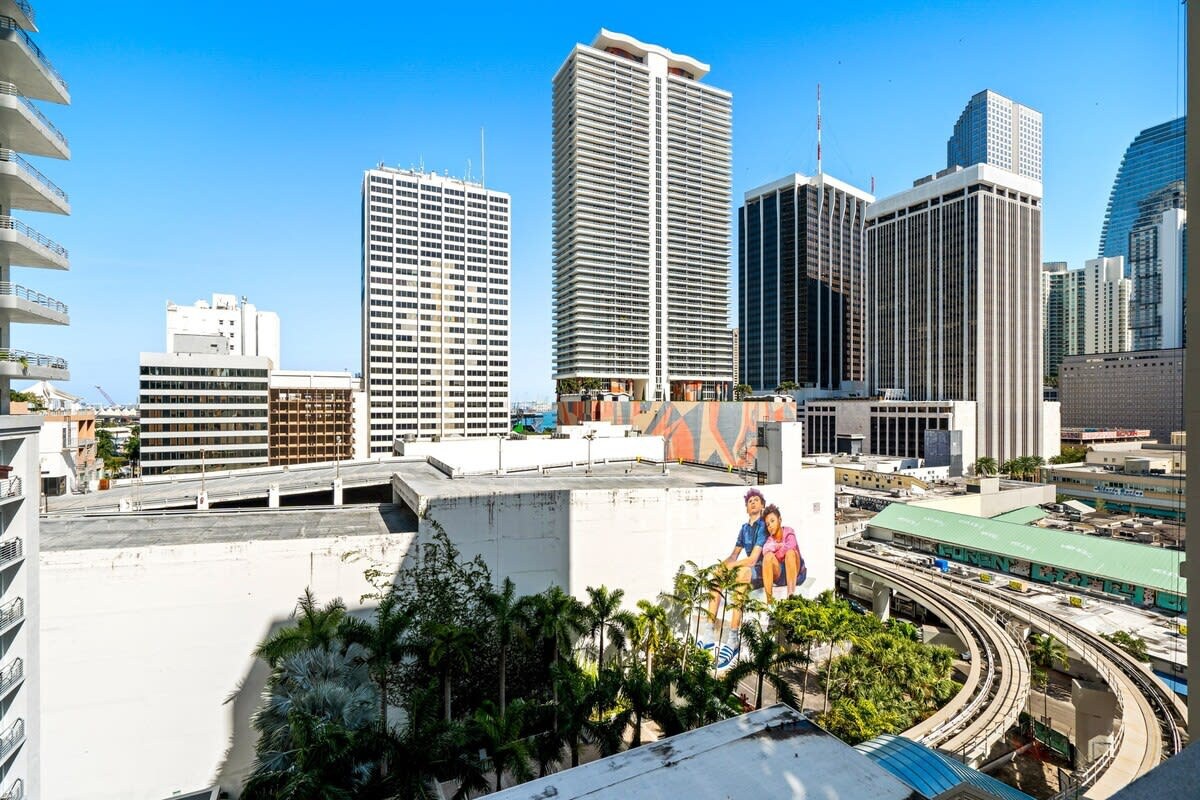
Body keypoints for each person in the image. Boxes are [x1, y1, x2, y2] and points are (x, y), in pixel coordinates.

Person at [708, 488, 767, 635]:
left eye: (756, 500)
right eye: (750, 501)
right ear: (746, 508)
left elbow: (753, 559)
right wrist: (722, 567)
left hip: (762, 570)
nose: (753, 503)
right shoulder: (744, 528)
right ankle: (709, 628)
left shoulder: (763, 526)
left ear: (762, 506)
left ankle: (733, 633)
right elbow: (734, 555)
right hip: (748, 567)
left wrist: (732, 567)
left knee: (743, 572)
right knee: (717, 575)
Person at [759, 504, 805, 603]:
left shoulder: (788, 531)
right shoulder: (770, 539)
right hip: (780, 575)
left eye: (772, 521)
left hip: (796, 573)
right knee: (768, 557)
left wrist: (777, 552)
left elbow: (791, 545)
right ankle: (769, 602)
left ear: (779, 520)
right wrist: (777, 547)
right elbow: (765, 550)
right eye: (767, 524)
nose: (770, 525)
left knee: (790, 553)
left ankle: (790, 598)